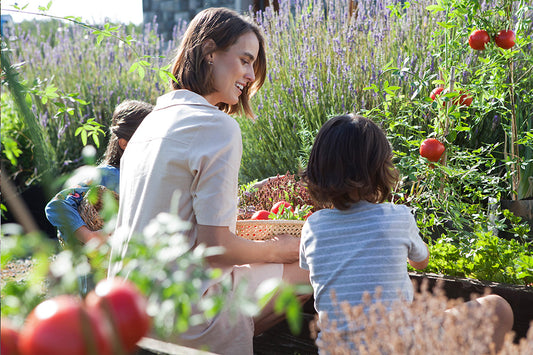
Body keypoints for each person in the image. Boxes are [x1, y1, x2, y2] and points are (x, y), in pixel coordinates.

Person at [108, 7, 310, 355]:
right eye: (245, 60)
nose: (249, 74)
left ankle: (232, 335)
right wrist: (281, 248)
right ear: (209, 52)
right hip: (184, 312)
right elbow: (215, 248)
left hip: (128, 308)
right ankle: (222, 341)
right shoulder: (217, 127)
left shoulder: (149, 125)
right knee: (311, 267)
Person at [299, 114, 514, 353]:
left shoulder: (312, 227)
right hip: (399, 347)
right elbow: (422, 262)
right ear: (381, 169)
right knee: (498, 308)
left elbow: (313, 273)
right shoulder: (397, 217)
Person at [45, 99, 154, 246]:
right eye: (150, 139)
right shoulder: (106, 176)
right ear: (124, 143)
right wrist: (89, 236)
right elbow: (57, 205)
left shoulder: (151, 176)